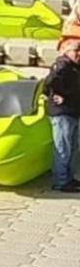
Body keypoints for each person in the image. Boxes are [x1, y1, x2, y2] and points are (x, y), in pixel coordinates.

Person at [43, 38, 80, 192]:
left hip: (72, 112)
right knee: (63, 148)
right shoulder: (63, 65)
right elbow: (49, 83)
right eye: (76, 50)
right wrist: (58, 94)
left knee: (71, 147)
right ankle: (61, 181)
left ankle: (69, 179)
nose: (79, 53)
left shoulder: (74, 67)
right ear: (66, 51)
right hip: (63, 113)